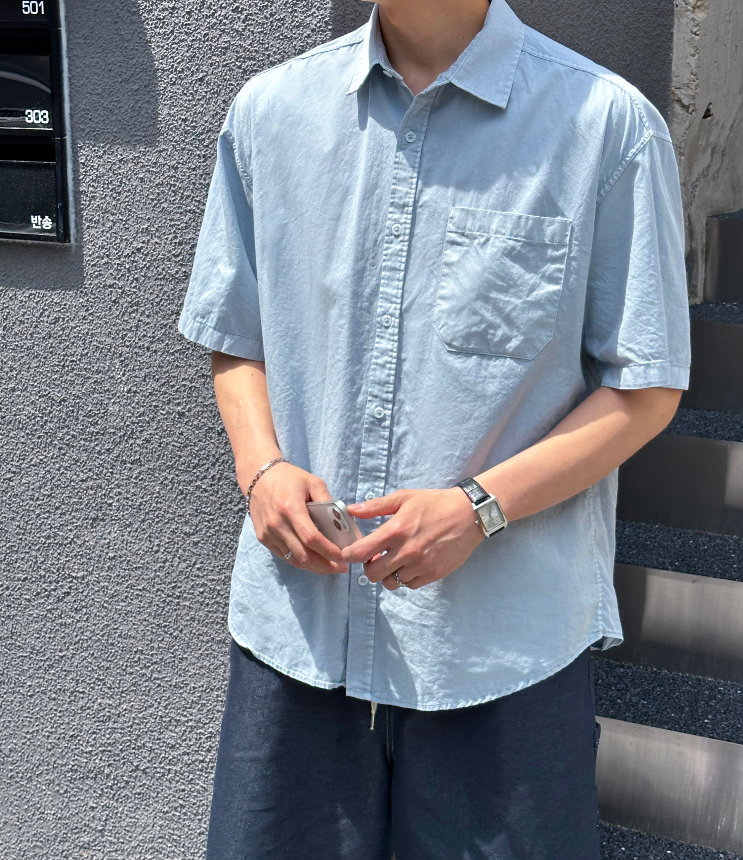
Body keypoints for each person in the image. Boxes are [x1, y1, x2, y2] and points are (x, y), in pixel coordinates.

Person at [177, 0, 690, 857]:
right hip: (300, 634)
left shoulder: (605, 126)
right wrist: (260, 470)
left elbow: (646, 387)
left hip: (499, 649)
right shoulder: (271, 113)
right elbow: (236, 335)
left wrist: (480, 507)